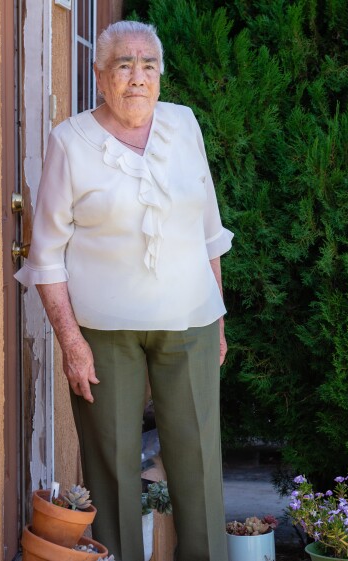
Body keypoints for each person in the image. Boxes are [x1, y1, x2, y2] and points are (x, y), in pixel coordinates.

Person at [15, 21, 233, 561]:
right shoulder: (70, 141)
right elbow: (45, 258)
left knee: (198, 463)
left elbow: (210, 230)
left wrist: (219, 318)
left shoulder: (184, 125)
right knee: (112, 469)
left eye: (148, 65)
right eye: (123, 65)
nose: (137, 77)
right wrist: (71, 343)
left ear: (160, 74)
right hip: (104, 334)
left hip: (192, 324)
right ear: (99, 75)